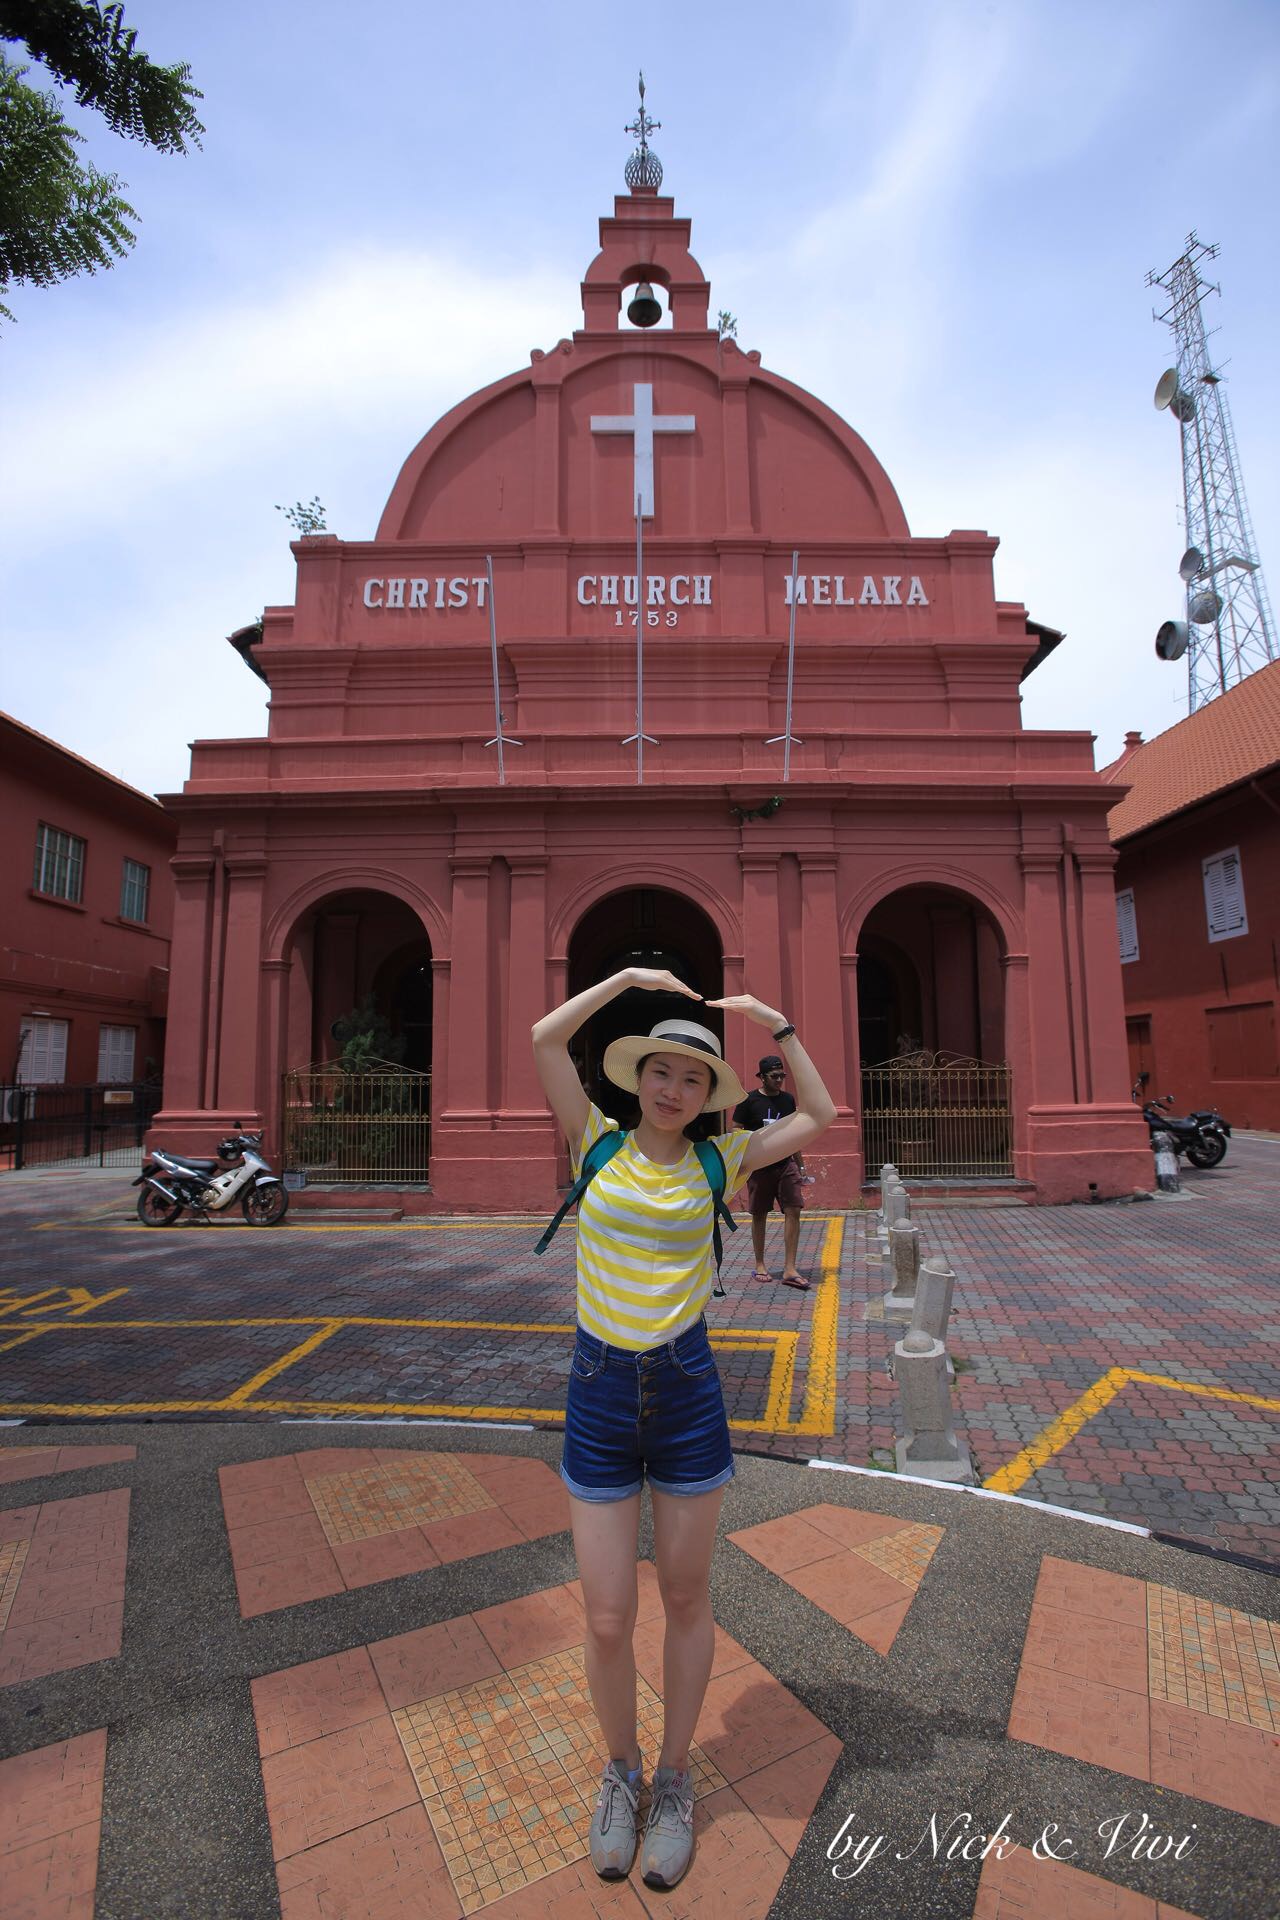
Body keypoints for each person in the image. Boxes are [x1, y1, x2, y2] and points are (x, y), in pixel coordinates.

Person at [531, 967, 836, 1891]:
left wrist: (775, 1023)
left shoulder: (723, 1159)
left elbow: (820, 1112)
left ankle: (673, 1780)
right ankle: (619, 1774)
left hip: (687, 1392)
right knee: (609, 1612)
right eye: (660, 1071)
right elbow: (547, 1040)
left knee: (687, 1599)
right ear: (636, 1078)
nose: (673, 1088)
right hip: (597, 1391)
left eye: (692, 1077)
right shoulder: (594, 1138)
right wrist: (625, 980)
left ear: (710, 1096)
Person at [733, 1055, 809, 1288]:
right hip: (759, 1165)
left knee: (794, 1208)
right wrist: (743, 1159)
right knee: (759, 1214)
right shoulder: (749, 1100)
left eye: (782, 1076)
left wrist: (801, 1164)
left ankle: (790, 1268)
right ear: (762, 1077)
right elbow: (736, 1130)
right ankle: (759, 1264)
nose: (779, 1080)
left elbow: (794, 1134)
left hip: (786, 1163)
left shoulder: (787, 1100)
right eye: (774, 1076)